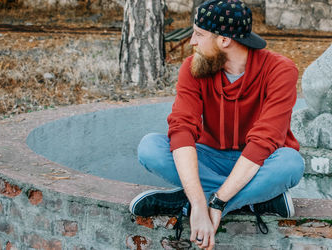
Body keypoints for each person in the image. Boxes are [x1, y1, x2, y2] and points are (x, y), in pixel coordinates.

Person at [129, 0, 304, 248]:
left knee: (291, 163)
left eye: (199, 34)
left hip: (260, 162)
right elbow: (182, 129)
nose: (192, 41)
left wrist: (218, 202)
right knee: (150, 148)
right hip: (208, 158)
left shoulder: (280, 70)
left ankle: (186, 201)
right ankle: (253, 199)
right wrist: (201, 204)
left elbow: (264, 141)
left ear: (224, 40)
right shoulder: (192, 68)